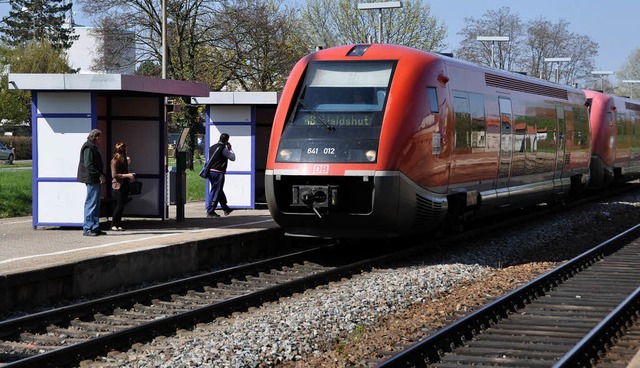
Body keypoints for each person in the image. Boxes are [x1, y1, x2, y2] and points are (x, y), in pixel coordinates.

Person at [77, 129, 106, 236]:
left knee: (95, 203)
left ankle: (95, 227)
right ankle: (88, 228)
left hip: (94, 179)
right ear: (96, 137)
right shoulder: (88, 147)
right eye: (100, 137)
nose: (101, 140)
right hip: (91, 178)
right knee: (91, 203)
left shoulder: (92, 147)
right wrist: (99, 175)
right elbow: (89, 165)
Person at [206, 133, 236, 218]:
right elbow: (232, 158)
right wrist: (230, 149)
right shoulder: (223, 149)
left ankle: (226, 208)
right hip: (219, 172)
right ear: (227, 140)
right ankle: (210, 211)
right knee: (216, 191)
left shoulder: (212, 147)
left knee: (218, 190)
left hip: (211, 172)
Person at [110, 142, 136, 231]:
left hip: (125, 184)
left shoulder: (124, 159)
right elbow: (114, 175)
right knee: (119, 205)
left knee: (122, 205)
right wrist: (127, 175)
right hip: (118, 185)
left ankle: (118, 224)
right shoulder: (115, 161)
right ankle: (113, 224)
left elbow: (125, 170)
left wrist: (128, 164)